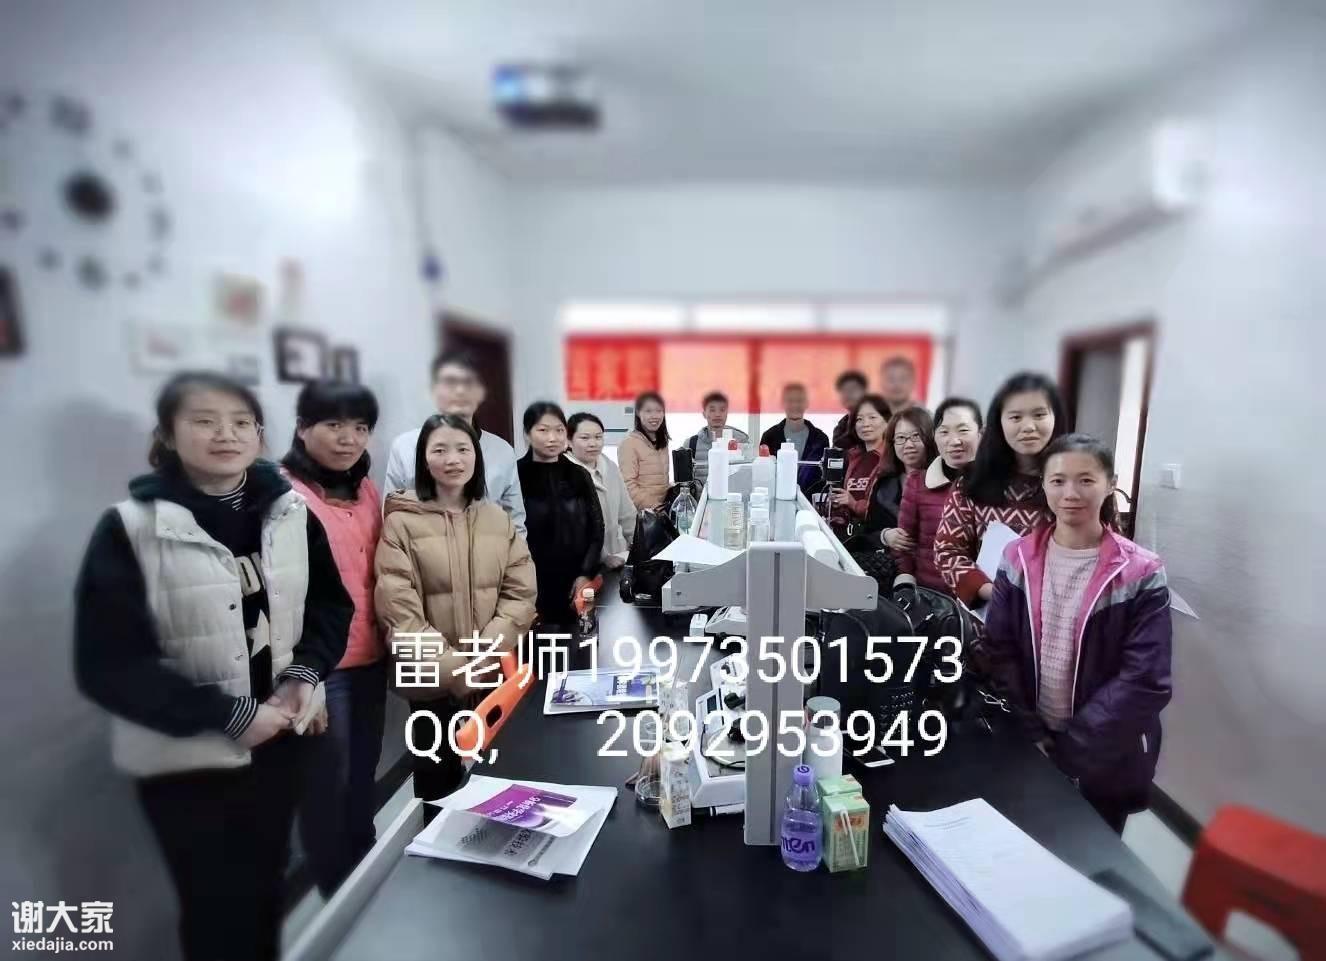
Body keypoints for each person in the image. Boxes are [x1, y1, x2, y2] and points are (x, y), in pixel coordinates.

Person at [74, 371, 352, 961]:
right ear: (168, 435)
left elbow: (330, 606)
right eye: (204, 421)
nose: (226, 434)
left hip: (281, 742)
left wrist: (305, 674)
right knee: (214, 908)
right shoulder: (130, 528)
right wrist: (231, 715)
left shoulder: (291, 513)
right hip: (189, 762)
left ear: (259, 433)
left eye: (241, 422)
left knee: (265, 884)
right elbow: (108, 663)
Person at [984, 434, 1172, 834]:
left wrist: (1071, 750)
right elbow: (998, 650)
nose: (1070, 493)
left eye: (1086, 480)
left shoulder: (1141, 572)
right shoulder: (1017, 557)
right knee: (1025, 847)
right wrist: (1032, 734)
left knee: (1091, 854)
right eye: (1058, 480)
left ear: (1110, 484)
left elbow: (1145, 679)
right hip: (1030, 740)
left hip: (1104, 753)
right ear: (1043, 485)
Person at [376, 414, 537, 800]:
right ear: (423, 458)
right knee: (437, 787)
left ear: (476, 457)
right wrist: (453, 669)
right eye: (440, 450)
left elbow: (520, 594)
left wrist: (483, 655)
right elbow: (400, 612)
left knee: (493, 785)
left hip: (490, 678)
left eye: (463, 449)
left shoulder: (497, 520)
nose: (453, 459)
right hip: (430, 684)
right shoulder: (400, 524)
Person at [280, 380, 386, 896]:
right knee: (326, 789)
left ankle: (366, 885)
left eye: (361, 427)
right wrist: (304, 675)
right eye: (334, 425)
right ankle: (338, 896)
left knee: (362, 775)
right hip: (322, 668)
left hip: (372, 654)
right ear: (303, 428)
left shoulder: (366, 489)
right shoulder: (282, 496)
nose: (349, 439)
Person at [933, 372, 1066, 608]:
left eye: (1039, 415)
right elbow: (947, 551)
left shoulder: (1077, 480)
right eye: (1015, 417)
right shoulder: (972, 481)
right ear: (999, 422)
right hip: (991, 616)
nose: (1028, 426)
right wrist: (992, 591)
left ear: (1055, 417)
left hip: (1061, 616)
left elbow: (1109, 552)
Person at [383, 349, 526, 536]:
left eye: (469, 382)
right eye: (450, 382)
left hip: (490, 551)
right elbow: (390, 514)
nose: (460, 390)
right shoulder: (404, 447)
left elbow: (515, 521)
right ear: (434, 390)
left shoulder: (503, 451)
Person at [518, 402, 605, 629]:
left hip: (576, 582)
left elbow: (596, 528)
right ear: (527, 434)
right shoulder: (516, 475)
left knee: (581, 642)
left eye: (559, 430)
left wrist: (584, 574)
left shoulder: (578, 474)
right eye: (543, 430)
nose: (552, 438)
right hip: (530, 583)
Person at [892, 397, 983, 593]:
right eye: (944, 432)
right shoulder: (918, 482)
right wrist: (906, 586)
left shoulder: (998, 484)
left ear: (980, 434)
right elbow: (904, 546)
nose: (954, 441)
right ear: (934, 436)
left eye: (963, 430)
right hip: (933, 597)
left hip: (986, 597)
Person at [861, 406, 937, 550]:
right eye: (901, 438)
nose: (909, 445)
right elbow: (868, 533)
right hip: (891, 561)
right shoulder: (883, 484)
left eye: (916, 436)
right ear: (893, 443)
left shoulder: (946, 482)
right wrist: (885, 536)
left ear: (930, 438)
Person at [566, 411, 636, 568]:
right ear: (569, 441)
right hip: (582, 564)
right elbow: (575, 528)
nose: (593, 443)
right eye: (585, 438)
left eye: (598, 437)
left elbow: (627, 514)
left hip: (618, 556)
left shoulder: (610, 466)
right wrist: (603, 557)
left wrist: (639, 543)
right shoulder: (564, 474)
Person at [828, 394, 891, 538]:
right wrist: (839, 506)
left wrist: (853, 504)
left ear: (887, 422)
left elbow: (886, 508)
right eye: (859, 419)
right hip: (852, 537)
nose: (865, 424)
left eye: (872, 417)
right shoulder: (852, 457)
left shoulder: (892, 459)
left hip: (878, 538)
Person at [759, 382, 830, 493]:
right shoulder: (769, 437)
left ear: (807, 403)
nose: (795, 405)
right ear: (783, 403)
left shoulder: (820, 439)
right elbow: (763, 474)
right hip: (778, 496)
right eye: (790, 401)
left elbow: (824, 477)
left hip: (810, 500)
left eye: (799, 400)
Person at [617, 390, 672, 510]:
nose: (654, 416)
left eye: (659, 410)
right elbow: (628, 485)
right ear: (638, 412)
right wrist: (655, 507)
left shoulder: (662, 442)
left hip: (661, 511)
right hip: (642, 514)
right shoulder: (629, 444)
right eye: (648, 411)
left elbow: (658, 482)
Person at [687, 390, 749, 487]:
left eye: (722, 410)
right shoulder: (691, 443)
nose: (717, 414)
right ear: (704, 414)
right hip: (700, 496)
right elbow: (685, 482)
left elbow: (747, 476)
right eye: (712, 410)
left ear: (727, 413)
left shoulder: (742, 441)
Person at [831, 370, 867, 449]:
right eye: (844, 390)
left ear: (865, 392)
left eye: (853, 389)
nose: (848, 394)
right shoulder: (841, 426)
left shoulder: (874, 423)